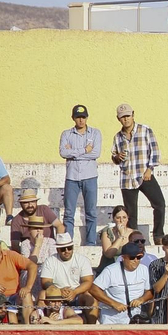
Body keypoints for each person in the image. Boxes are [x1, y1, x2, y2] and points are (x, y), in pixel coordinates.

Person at [111, 103, 166, 238]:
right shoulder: (118, 137)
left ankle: (158, 235)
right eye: (122, 117)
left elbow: (155, 151)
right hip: (127, 178)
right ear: (118, 119)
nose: (126, 119)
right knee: (131, 213)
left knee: (159, 204)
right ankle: (133, 239)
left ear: (133, 115)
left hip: (144, 175)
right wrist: (117, 157)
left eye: (128, 116)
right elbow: (114, 156)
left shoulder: (145, 130)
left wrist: (150, 169)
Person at [59, 105, 102, 247]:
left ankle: (90, 242)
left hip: (90, 176)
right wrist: (84, 151)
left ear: (87, 118)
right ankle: (67, 241)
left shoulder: (95, 133)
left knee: (91, 212)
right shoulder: (66, 134)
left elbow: (96, 153)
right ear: (73, 118)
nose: (81, 120)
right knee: (69, 213)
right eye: (78, 117)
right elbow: (63, 153)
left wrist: (74, 153)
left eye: (83, 117)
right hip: (72, 176)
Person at [91, 243, 153, 325]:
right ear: (123, 258)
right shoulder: (110, 270)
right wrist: (113, 303)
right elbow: (94, 289)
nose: (136, 260)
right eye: (132, 257)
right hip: (112, 320)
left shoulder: (144, 269)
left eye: (139, 257)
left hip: (135, 319)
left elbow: (150, 291)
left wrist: (141, 299)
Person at [0, 231, 37, 317]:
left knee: (26, 295)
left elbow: (32, 266)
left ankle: (28, 328)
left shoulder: (10, 255)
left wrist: (28, 287)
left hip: (14, 296)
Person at [99, 204, 137, 272]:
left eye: (124, 217)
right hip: (109, 268)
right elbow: (109, 254)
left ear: (128, 218)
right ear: (114, 219)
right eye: (118, 218)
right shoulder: (107, 231)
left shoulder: (134, 233)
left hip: (128, 269)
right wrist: (121, 236)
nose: (121, 220)